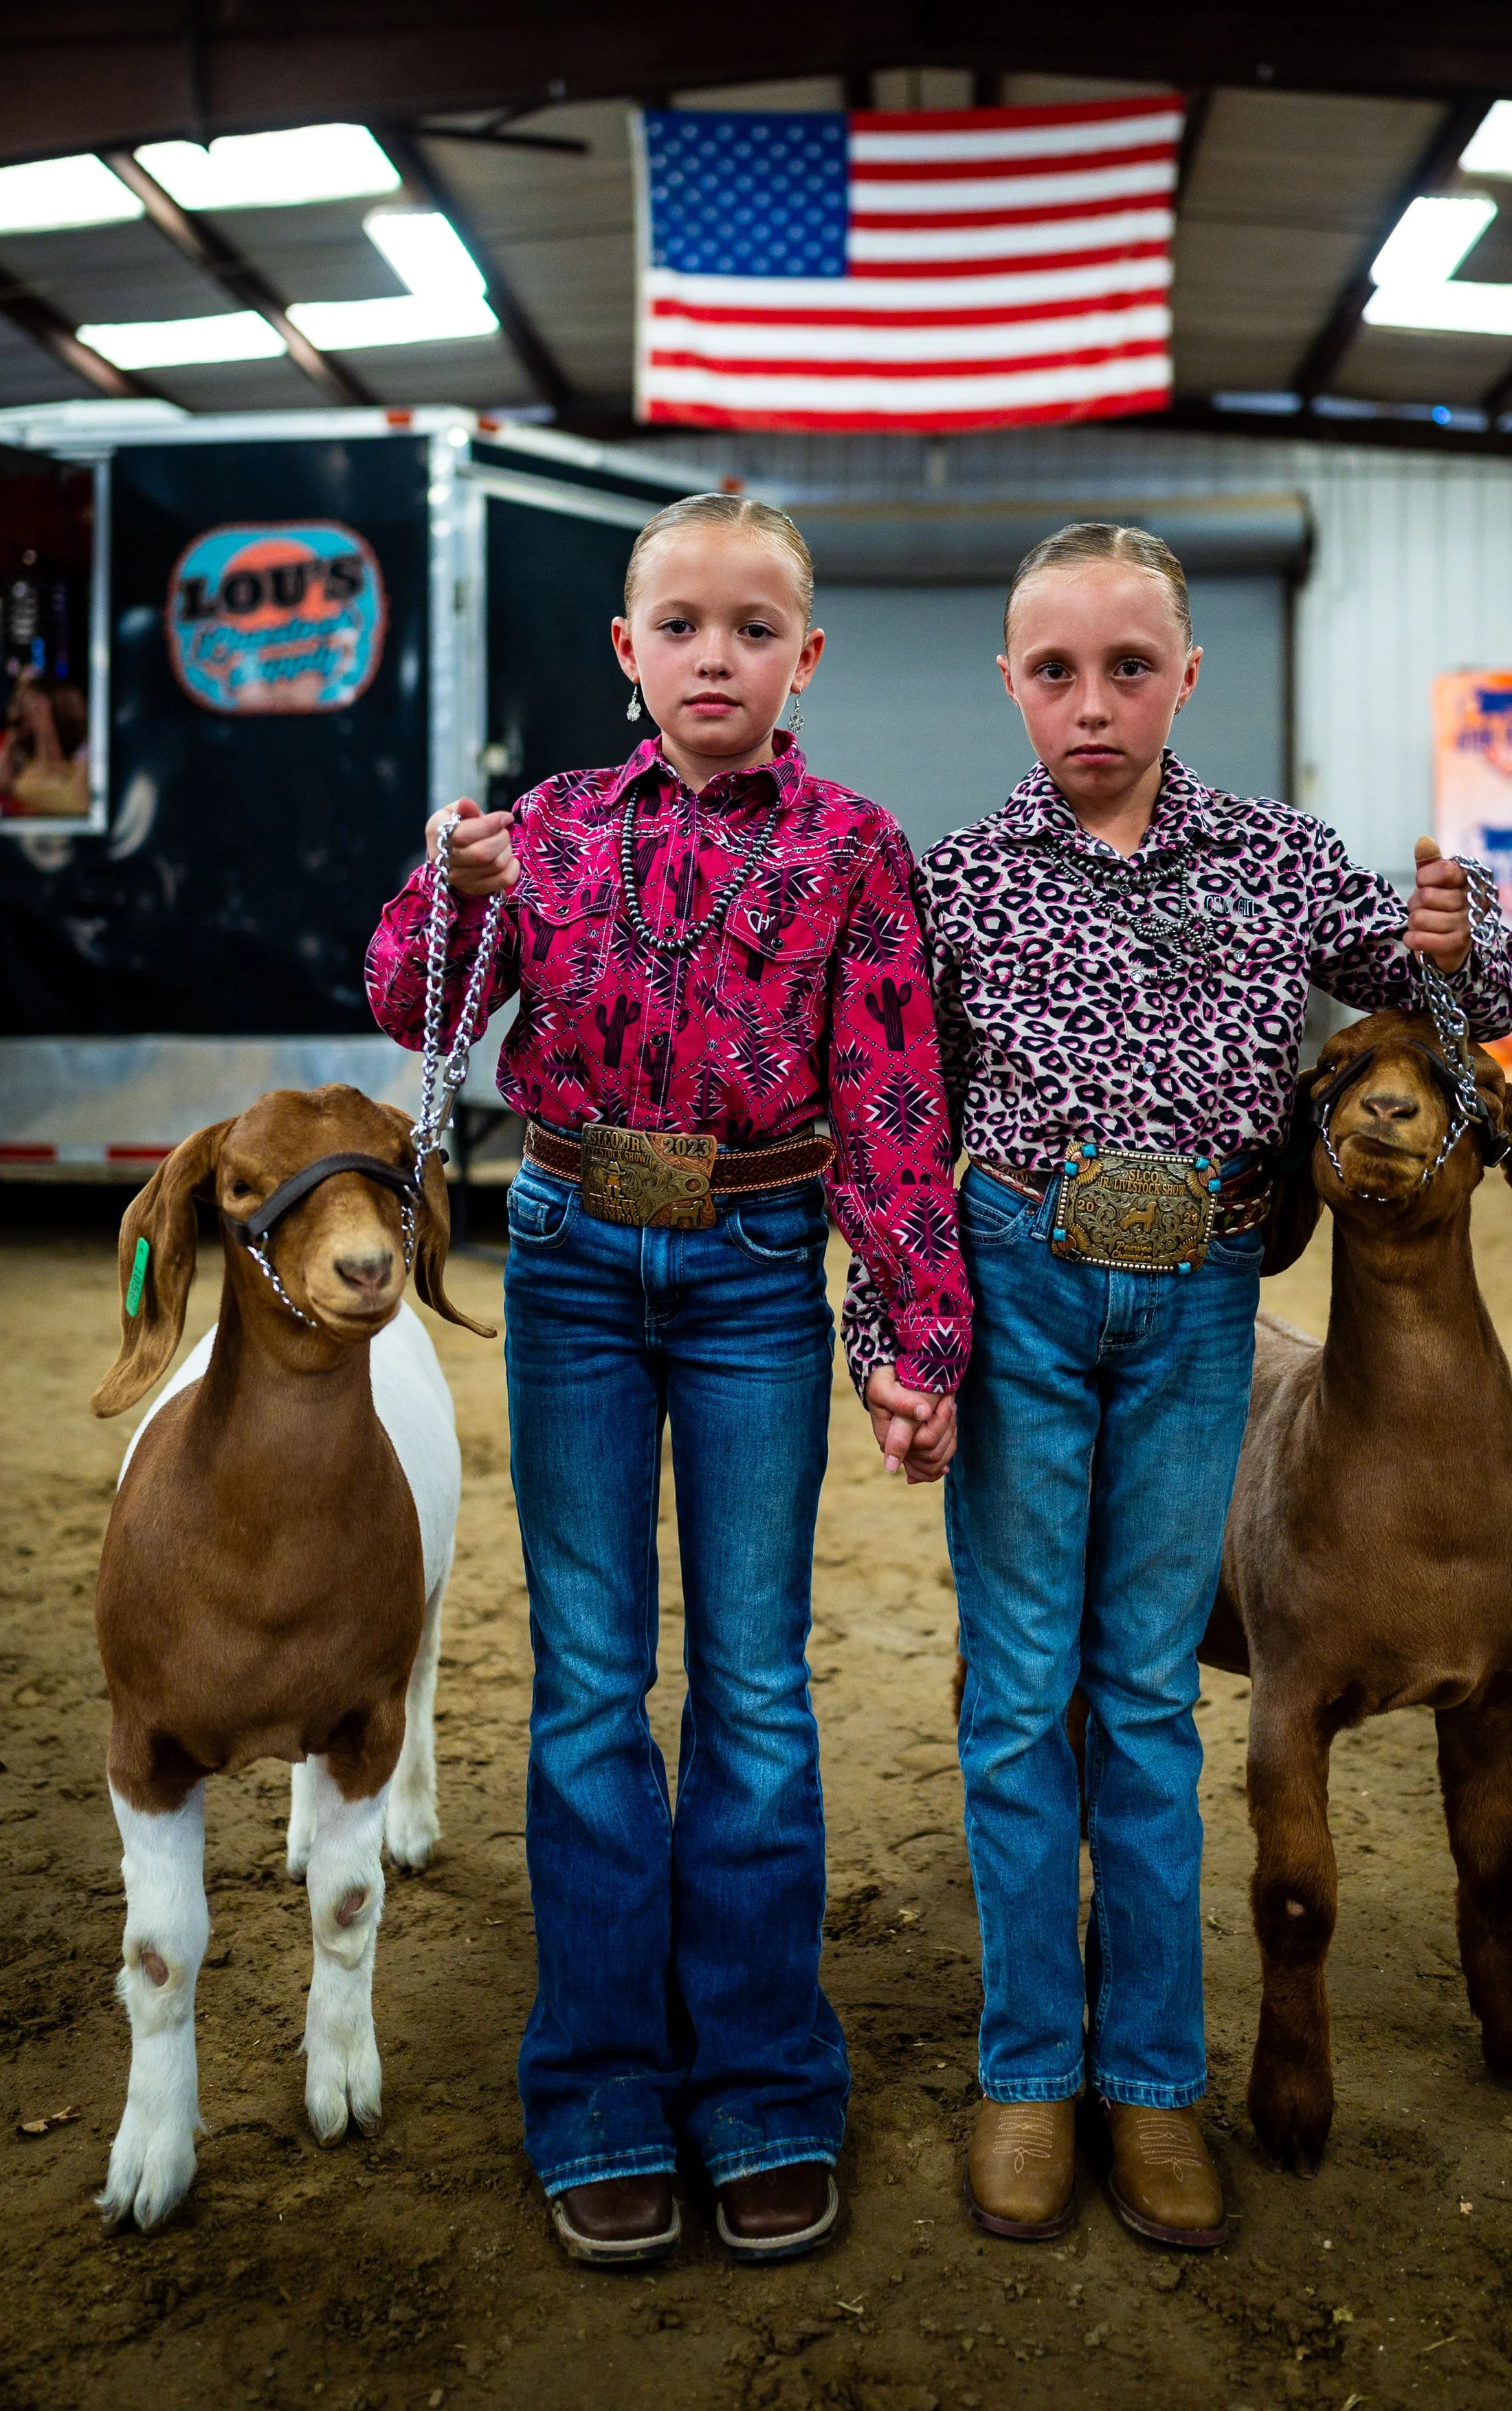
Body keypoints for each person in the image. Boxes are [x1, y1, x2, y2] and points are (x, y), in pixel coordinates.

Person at [911, 522, 1512, 2252]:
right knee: (1018, 1690)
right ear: (1010, 683)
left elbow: (1485, 1012)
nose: (1091, 703)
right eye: (1055, 671)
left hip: (1200, 1302)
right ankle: (1028, 2070)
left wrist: (1459, 935)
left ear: (1186, 678)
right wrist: (907, 1333)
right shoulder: (959, 881)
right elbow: (898, 1122)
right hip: (1021, 1280)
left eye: (1128, 668)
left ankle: (1151, 2081)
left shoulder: (1281, 860)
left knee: (1141, 1691)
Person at [366, 493, 968, 2271]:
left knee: (756, 1688)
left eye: (753, 628)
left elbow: (892, 1105)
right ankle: (602, 2082)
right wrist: (446, 887)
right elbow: (414, 1008)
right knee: (585, 1684)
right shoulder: (543, 831)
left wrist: (913, 1335)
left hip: (755, 1271)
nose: (717, 657)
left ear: (805, 657)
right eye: (683, 627)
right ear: (628, 652)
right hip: (566, 1263)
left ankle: (765, 2082)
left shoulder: (855, 848)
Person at [0, 668, 89, 819]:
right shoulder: (22, 755)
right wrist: (12, 738)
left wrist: (45, 727)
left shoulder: (83, 756)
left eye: (26, 707)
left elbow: (55, 780)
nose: (16, 711)